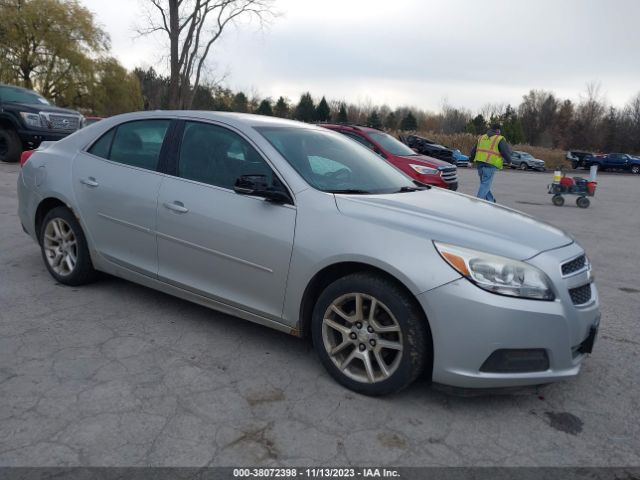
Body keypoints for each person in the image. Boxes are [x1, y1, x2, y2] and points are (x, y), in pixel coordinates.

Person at [469, 123, 512, 202]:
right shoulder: (499, 138)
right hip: (490, 164)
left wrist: (471, 161)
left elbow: (473, 150)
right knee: (485, 184)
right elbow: (505, 151)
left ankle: (490, 200)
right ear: (498, 130)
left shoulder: (482, 137)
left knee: (484, 183)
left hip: (479, 163)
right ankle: (478, 201)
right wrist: (509, 161)